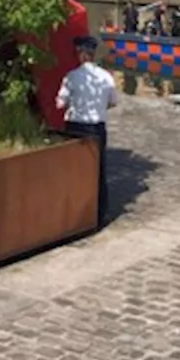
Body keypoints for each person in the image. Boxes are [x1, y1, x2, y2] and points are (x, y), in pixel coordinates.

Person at [56, 35, 117, 231]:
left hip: (76, 126)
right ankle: (99, 214)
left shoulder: (72, 76)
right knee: (99, 170)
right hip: (97, 126)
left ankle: (73, 214)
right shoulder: (106, 77)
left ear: (81, 54)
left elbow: (60, 103)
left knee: (74, 170)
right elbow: (113, 102)